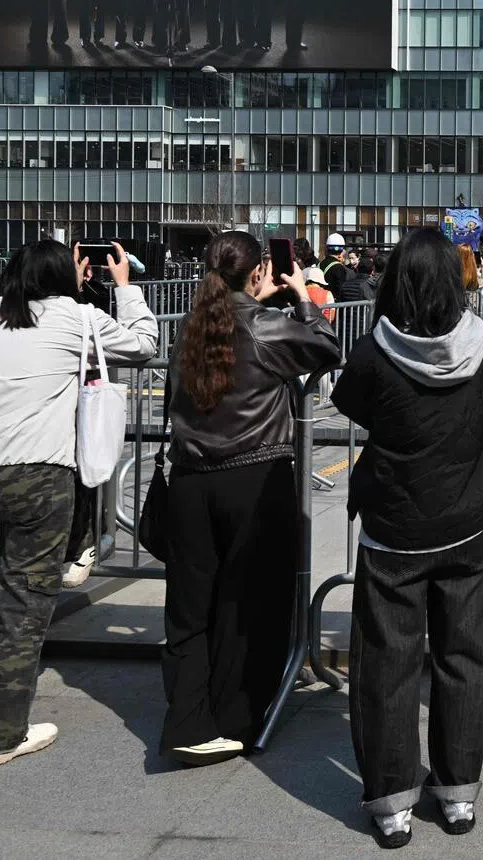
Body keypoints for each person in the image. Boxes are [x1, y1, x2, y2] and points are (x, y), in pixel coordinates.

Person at [332, 228, 483, 846]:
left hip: (394, 528)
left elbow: (351, 404)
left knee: (388, 664)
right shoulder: (481, 342)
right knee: (465, 658)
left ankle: (391, 803)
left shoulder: (373, 352)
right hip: (467, 520)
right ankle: (458, 792)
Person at [0, 241, 158, 769]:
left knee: (13, 587)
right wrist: (125, 288)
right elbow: (144, 345)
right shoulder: (77, 316)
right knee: (24, 605)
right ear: (69, 274)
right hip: (36, 472)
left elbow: (24, 311)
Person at [161, 231, 339, 764]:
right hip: (254, 478)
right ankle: (236, 714)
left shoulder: (192, 326)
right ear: (259, 271)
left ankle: (186, 721)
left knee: (190, 610)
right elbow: (326, 349)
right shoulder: (264, 326)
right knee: (251, 601)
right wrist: (303, 297)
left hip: (190, 479)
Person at [320, 233, 352, 300]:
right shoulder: (339, 267)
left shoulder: (320, 264)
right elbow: (340, 290)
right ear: (342, 250)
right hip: (333, 305)